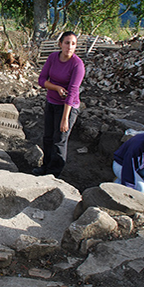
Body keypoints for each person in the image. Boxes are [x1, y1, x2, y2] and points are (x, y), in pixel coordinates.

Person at [32, 31, 85, 178]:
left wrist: (65, 118)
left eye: (73, 44)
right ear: (60, 44)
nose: (70, 46)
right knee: (48, 137)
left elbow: (73, 91)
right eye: (67, 43)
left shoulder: (77, 65)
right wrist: (56, 88)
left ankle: (54, 174)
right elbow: (42, 80)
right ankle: (45, 167)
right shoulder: (53, 58)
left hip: (68, 106)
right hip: (52, 101)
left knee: (59, 140)